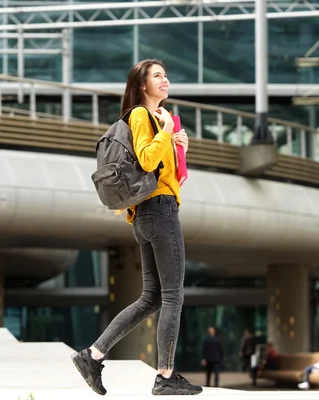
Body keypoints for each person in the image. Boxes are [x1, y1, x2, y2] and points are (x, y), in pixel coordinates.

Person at [70, 59, 202, 396]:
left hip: (148, 213)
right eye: (157, 76)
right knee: (173, 296)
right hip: (158, 214)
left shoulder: (159, 120)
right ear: (142, 85)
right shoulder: (143, 115)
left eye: (166, 75)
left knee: (151, 298)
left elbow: (170, 176)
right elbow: (145, 159)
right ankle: (166, 376)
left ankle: (92, 355)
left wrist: (178, 147)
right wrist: (169, 133)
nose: (165, 79)